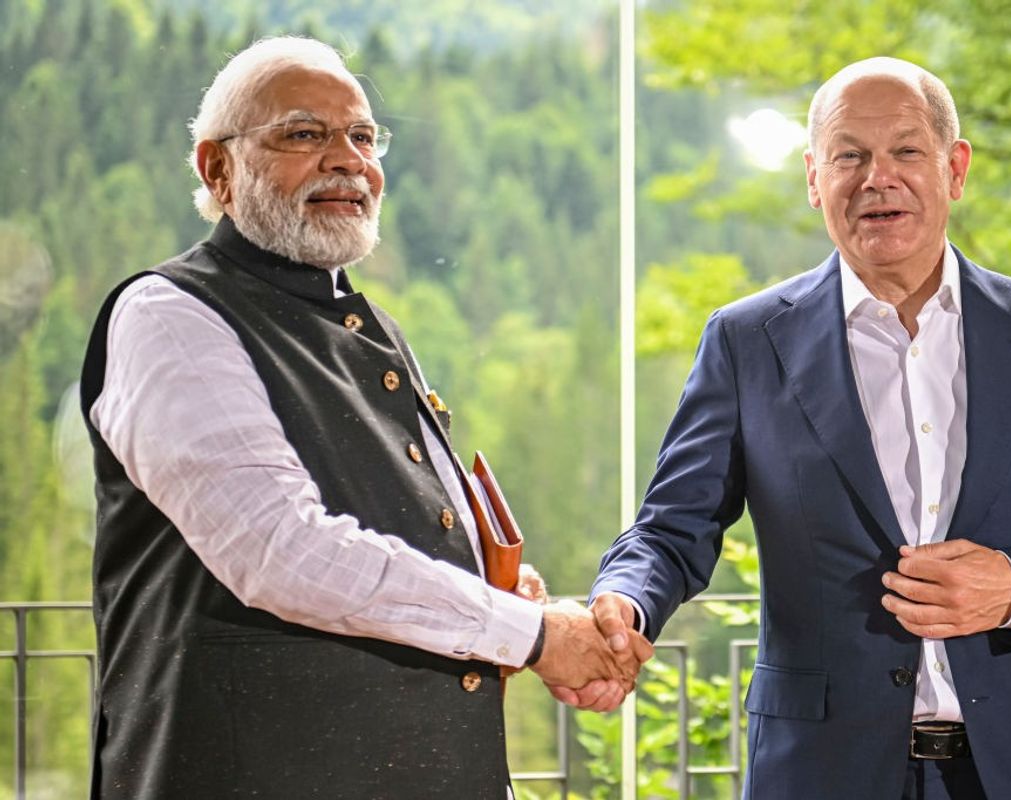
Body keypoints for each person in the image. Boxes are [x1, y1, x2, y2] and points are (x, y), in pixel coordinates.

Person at [573, 57, 1011, 799]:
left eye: (906, 151)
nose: (877, 178)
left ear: (955, 169)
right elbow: (671, 528)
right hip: (820, 770)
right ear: (814, 178)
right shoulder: (747, 341)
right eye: (849, 155)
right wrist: (624, 603)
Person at [80, 36, 649, 799]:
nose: (347, 159)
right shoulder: (170, 316)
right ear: (217, 169)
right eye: (304, 134)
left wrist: (498, 591)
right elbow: (282, 551)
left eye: (362, 135)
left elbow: (388, 528)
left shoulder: (369, 324)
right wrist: (539, 635)